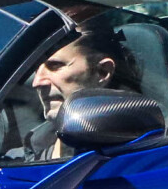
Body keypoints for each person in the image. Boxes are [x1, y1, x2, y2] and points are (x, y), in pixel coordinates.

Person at [26, 21, 134, 159]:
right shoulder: (34, 145)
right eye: (35, 67)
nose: (37, 82)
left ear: (102, 72)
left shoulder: (139, 150)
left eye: (55, 65)